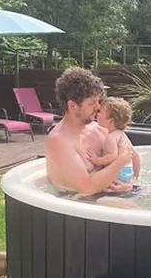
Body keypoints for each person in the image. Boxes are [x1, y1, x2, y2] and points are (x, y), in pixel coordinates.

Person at [45, 67, 134, 196]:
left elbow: (130, 160)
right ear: (72, 106)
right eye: (92, 103)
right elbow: (86, 188)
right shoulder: (59, 141)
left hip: (108, 196)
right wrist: (120, 160)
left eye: (98, 101)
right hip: (77, 204)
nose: (98, 107)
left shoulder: (100, 130)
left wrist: (129, 184)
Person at [86, 96, 141, 185]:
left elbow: (112, 156)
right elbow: (136, 156)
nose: (98, 114)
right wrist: (136, 175)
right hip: (127, 171)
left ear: (111, 122)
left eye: (101, 113)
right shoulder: (123, 136)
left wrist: (97, 160)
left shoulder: (111, 137)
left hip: (118, 173)